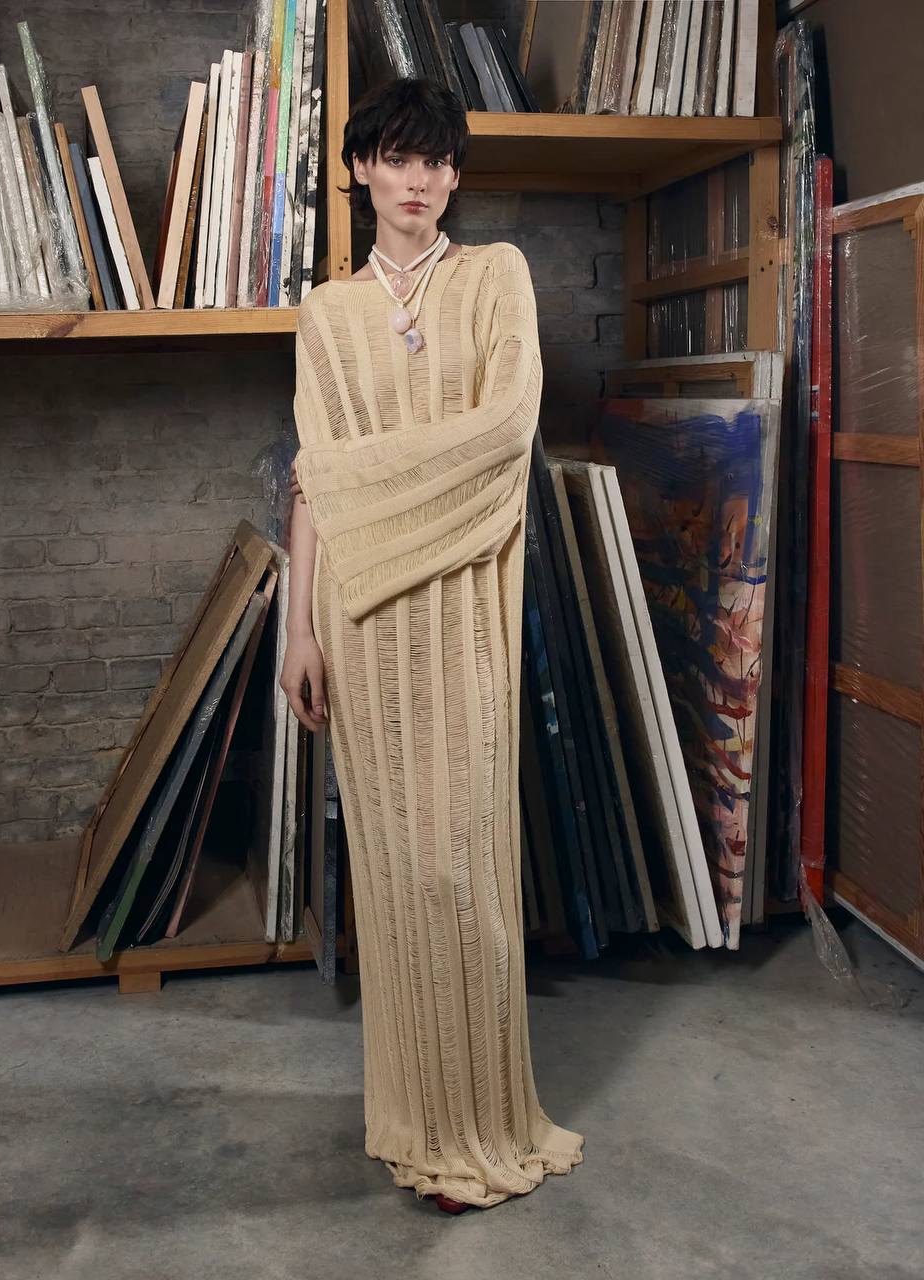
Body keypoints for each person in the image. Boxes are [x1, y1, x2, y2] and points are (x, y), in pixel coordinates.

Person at [279, 77, 583, 1213]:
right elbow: (314, 478)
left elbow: (506, 434)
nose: (417, 180)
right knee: (400, 876)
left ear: (455, 174)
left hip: (464, 612)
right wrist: (300, 627)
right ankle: (415, 1116)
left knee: (464, 865)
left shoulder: (496, 277)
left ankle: (480, 1119)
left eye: (437, 161)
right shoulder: (326, 315)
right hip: (360, 625)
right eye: (396, 158)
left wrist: (360, 478)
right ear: (361, 167)